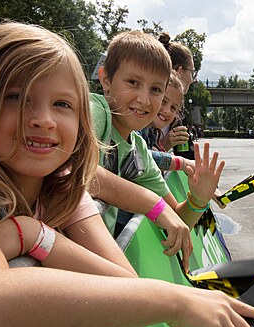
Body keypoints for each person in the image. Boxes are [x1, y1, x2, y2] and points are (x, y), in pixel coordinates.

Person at [0, 22, 254, 327]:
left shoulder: (65, 189)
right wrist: (175, 302)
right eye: (15, 97)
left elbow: (128, 288)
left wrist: (34, 235)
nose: (44, 119)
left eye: (62, 105)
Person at [91, 31, 221, 259]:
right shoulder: (94, 111)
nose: (144, 99)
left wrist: (199, 199)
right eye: (133, 82)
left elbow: (177, 220)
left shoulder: (138, 150)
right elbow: (78, 171)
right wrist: (153, 204)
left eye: (156, 90)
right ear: (105, 80)